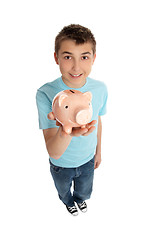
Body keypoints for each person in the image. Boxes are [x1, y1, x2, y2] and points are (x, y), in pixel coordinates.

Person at [36, 24, 108, 216]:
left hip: (87, 159)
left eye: (84, 57)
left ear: (93, 58)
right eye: (68, 57)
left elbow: (97, 120)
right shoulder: (45, 94)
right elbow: (54, 151)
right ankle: (68, 202)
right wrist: (66, 129)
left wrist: (98, 151)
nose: (76, 67)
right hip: (61, 164)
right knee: (63, 189)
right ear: (56, 58)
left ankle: (80, 199)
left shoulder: (100, 89)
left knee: (85, 190)